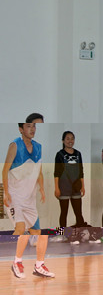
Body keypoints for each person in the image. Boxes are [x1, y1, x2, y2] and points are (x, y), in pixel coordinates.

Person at [3, 113, 55, 278]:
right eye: (29, 126)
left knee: (41, 234)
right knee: (21, 230)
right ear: (21, 129)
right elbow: (5, 170)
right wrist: (6, 192)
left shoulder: (38, 147)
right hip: (15, 197)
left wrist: (42, 188)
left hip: (29, 200)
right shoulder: (15, 146)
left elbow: (38, 171)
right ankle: (16, 262)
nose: (32, 129)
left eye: (35, 126)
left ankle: (39, 265)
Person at [54, 131, 86, 227]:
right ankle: (61, 233)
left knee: (79, 213)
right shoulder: (59, 154)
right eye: (67, 139)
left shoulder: (78, 154)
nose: (70, 141)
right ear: (63, 141)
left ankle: (81, 232)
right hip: (64, 187)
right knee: (63, 213)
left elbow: (81, 171)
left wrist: (82, 186)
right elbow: (56, 173)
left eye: (72, 138)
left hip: (76, 187)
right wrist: (56, 188)